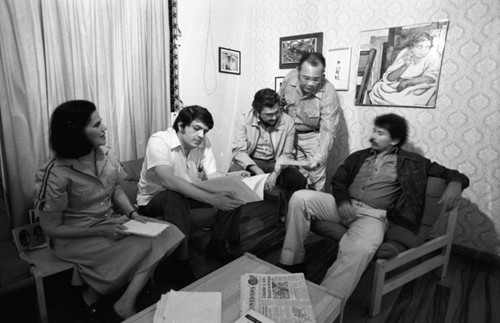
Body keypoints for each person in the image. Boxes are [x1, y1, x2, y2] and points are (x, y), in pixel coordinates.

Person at [278, 113, 469, 301]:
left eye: (380, 133)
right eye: (374, 131)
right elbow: (339, 180)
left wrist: (456, 183)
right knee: (300, 197)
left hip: (373, 216)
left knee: (361, 247)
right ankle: (292, 262)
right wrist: (343, 202)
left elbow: (452, 174)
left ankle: (327, 302)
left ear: (394, 140)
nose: (373, 137)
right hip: (342, 205)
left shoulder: (413, 162)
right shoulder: (358, 157)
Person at [34, 100, 184, 320]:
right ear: (75, 132)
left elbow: (115, 189)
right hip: (74, 236)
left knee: (168, 232)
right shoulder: (55, 173)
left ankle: (123, 301)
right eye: (96, 125)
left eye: (101, 122)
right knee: (144, 245)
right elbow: (51, 228)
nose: (104, 128)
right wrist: (101, 231)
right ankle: (95, 296)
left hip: (110, 222)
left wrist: (133, 214)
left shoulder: (106, 154)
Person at [137, 105, 248, 268]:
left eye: (205, 131)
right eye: (196, 128)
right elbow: (167, 180)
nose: (201, 135)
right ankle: (181, 261)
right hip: (153, 201)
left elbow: (212, 177)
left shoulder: (204, 143)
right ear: (181, 126)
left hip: (187, 196)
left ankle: (216, 245)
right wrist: (211, 198)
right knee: (173, 195)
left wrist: (233, 178)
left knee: (232, 194)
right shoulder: (159, 140)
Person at [230, 88, 307, 208]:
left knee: (299, 180)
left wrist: (275, 173)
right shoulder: (244, 119)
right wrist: (257, 170)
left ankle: (288, 214)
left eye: (277, 112)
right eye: (268, 115)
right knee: (233, 175)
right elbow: (239, 152)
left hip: (275, 162)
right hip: (251, 160)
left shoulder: (288, 121)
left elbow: (287, 154)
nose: (274, 118)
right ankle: (234, 216)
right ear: (257, 111)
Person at [279, 52, 340, 191]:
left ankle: (315, 212)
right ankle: (293, 211)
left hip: (314, 138)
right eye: (305, 78)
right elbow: (279, 102)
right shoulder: (290, 78)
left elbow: (328, 129)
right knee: (293, 178)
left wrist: (318, 157)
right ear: (298, 71)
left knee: (315, 180)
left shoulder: (328, 92)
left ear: (322, 75)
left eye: (316, 79)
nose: (310, 83)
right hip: (290, 135)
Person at [369, 32, 441, 107]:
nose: (424, 50)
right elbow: (388, 78)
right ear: (412, 47)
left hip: (419, 87)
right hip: (396, 86)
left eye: (427, 47)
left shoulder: (433, 55)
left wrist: (407, 82)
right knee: (379, 87)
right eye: (419, 47)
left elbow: (432, 78)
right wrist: (405, 65)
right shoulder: (406, 52)